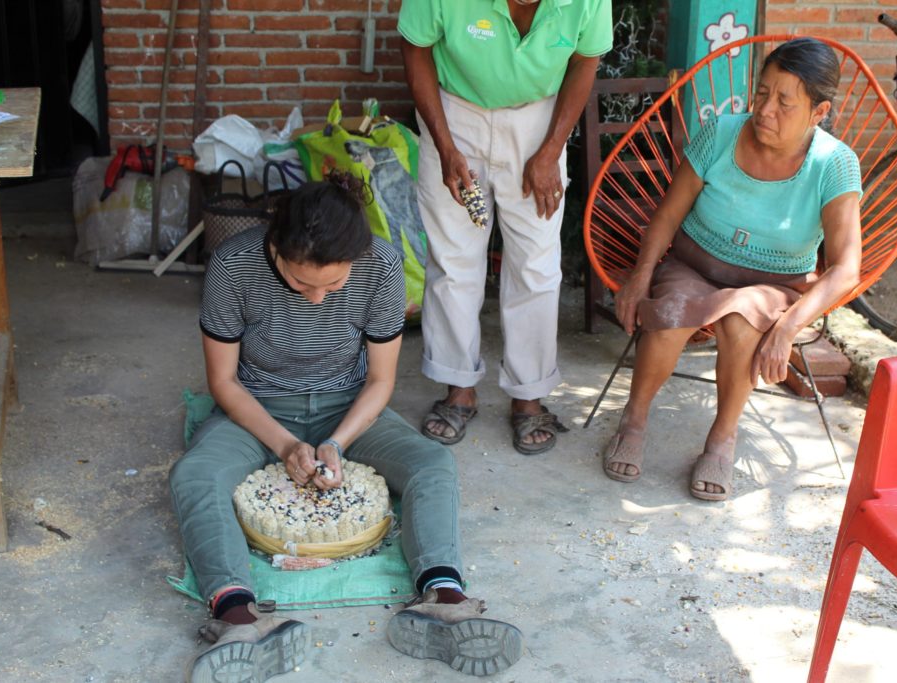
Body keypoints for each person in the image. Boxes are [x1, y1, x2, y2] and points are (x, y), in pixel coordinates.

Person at [170, 177, 523, 683]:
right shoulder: (233, 264)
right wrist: (285, 444)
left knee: (432, 463)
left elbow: (380, 381)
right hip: (258, 408)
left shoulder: (381, 264)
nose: (316, 299)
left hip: (349, 407)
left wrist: (336, 441)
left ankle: (444, 597)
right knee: (194, 476)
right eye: (299, 283)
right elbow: (223, 381)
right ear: (274, 246)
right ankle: (237, 616)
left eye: (333, 286)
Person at [601, 38, 862, 500]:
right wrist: (640, 274)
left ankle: (721, 440)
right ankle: (634, 419)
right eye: (762, 94)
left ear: (819, 113)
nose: (765, 110)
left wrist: (788, 327)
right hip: (694, 265)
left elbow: (845, 269)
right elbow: (668, 214)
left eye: (785, 103)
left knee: (743, 323)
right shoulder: (721, 132)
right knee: (671, 313)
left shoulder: (833, 164)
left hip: (772, 284)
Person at [398, 0, 613, 455]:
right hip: (454, 111)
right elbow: (415, 48)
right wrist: (445, 146)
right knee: (454, 259)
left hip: (539, 118)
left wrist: (552, 149)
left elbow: (585, 60)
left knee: (537, 262)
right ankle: (458, 387)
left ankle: (528, 394)